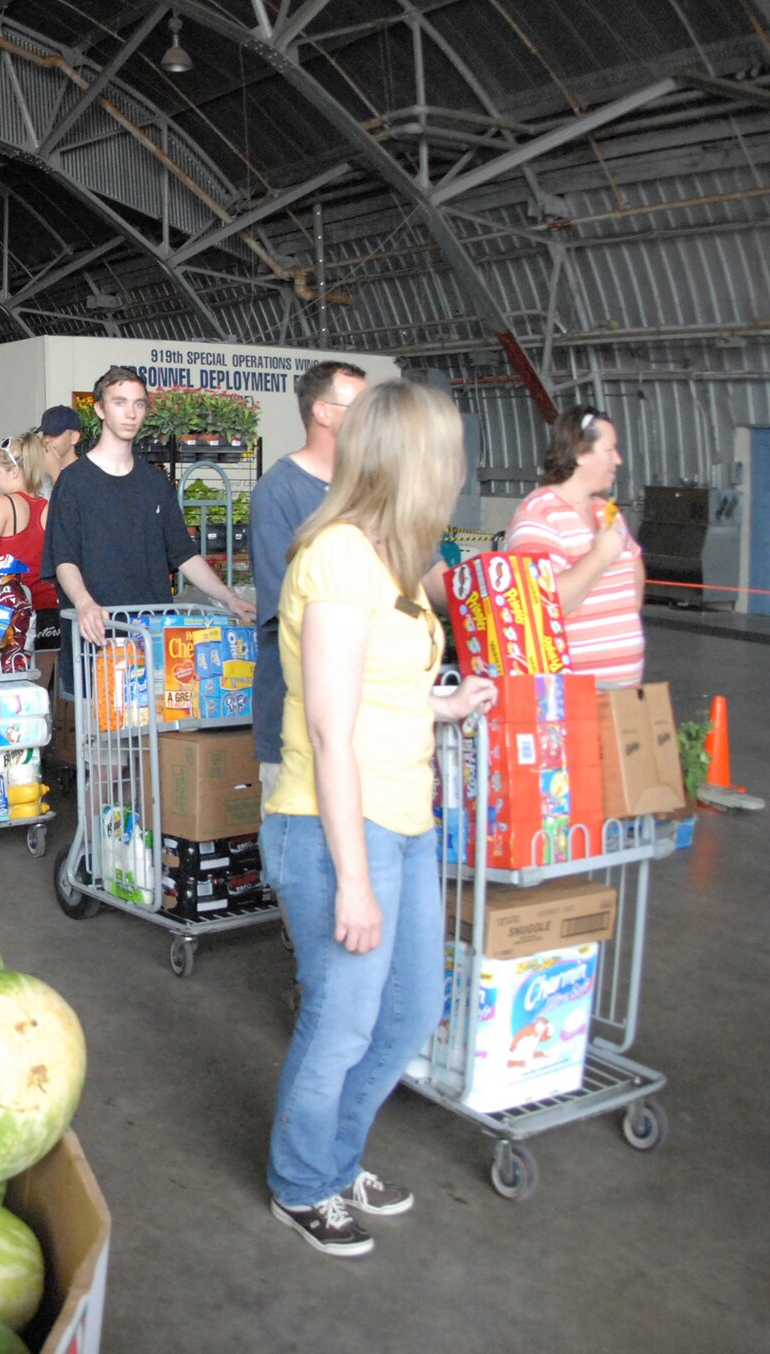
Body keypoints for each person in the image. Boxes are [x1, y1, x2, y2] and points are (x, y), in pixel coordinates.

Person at [259, 381, 498, 1258]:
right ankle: (300, 1183)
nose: (461, 466)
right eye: (451, 449)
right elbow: (327, 727)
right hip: (331, 831)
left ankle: (335, 1156)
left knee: (409, 1013)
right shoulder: (337, 559)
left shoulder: (396, 557)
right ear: (415, 459)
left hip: (403, 814)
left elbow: (372, 694)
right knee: (345, 1019)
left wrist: (443, 706)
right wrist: (354, 881)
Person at [44, 367, 256, 689]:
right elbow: (64, 557)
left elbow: (184, 553)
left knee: (158, 730)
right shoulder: (74, 482)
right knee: (103, 733)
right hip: (97, 635)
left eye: (139, 404)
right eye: (120, 402)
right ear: (100, 409)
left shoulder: (155, 482)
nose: (131, 413)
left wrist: (229, 598)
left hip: (153, 636)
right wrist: (85, 603)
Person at [252, 361, 368, 800]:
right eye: (360, 405)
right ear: (322, 411)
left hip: (366, 723)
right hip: (298, 723)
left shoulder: (372, 488)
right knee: (297, 855)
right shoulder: (278, 493)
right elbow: (289, 615)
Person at [504, 407, 645, 688]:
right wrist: (601, 555)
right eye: (609, 450)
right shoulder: (539, 514)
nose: (618, 460)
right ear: (580, 452)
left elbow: (635, 575)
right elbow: (543, 606)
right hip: (567, 696)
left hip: (623, 693)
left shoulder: (607, 512)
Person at [0, 434, 60, 689]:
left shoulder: (3, 505)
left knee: (5, 694)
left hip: (8, 613)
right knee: (38, 695)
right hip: (47, 609)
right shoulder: (49, 506)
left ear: (14, 472)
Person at [39, 406, 85, 489]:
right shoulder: (38, 472)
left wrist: (54, 473)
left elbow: (72, 500)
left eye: (54, 433)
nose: (46, 439)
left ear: (74, 438)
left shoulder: (86, 472)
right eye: (45, 433)